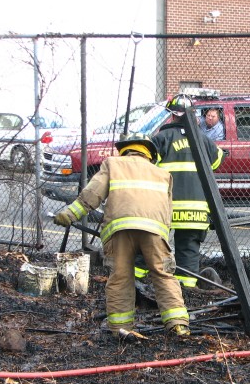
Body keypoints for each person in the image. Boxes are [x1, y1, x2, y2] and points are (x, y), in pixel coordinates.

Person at [53, 132, 190, 338]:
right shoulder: (162, 174)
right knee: (163, 274)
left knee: (120, 276)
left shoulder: (113, 165)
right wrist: (162, 241)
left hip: (119, 231)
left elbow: (93, 193)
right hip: (154, 231)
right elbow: (167, 212)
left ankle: (120, 329)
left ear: (125, 150)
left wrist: (69, 214)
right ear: (149, 153)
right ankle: (178, 324)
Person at [137, 94, 225, 290]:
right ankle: (187, 293)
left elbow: (145, 167)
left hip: (164, 209)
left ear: (172, 116)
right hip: (197, 211)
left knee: (148, 245)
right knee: (188, 251)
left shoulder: (160, 139)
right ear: (193, 115)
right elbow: (218, 160)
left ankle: (139, 284)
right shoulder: (203, 140)